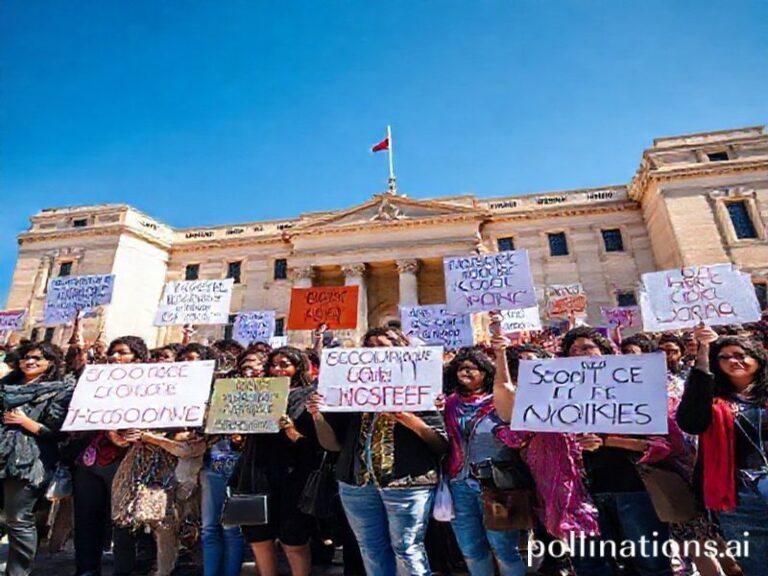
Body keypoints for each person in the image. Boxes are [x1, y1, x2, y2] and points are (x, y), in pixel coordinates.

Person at [307, 327, 449, 576]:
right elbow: (333, 445)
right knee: (370, 549)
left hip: (406, 484)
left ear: (402, 349)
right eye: (369, 347)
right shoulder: (350, 392)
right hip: (357, 486)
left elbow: (440, 445)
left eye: (382, 346)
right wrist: (318, 415)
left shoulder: (420, 388)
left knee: (407, 549)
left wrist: (410, 420)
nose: (376, 351)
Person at [560, 327, 676, 576]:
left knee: (651, 564)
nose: (580, 354)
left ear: (605, 351)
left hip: (633, 489)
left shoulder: (636, 388)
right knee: (591, 565)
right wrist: (573, 444)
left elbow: (661, 445)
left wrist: (607, 440)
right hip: (581, 495)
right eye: (573, 351)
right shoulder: (559, 396)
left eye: (587, 347)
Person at [676, 327, 768, 575]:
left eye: (740, 355)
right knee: (758, 565)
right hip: (739, 496)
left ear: (757, 359)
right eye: (724, 357)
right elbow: (691, 422)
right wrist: (705, 350)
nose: (733, 361)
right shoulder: (710, 399)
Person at [233, 346, 321, 576]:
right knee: (258, 539)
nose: (277, 369)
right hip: (252, 475)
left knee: (294, 540)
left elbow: (314, 446)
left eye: (285, 365)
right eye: (273, 365)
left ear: (298, 367)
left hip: (292, 478)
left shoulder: (309, 396)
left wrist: (291, 430)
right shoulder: (256, 392)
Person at [71, 336, 152, 576]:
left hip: (129, 459)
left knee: (123, 521)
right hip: (92, 459)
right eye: (112, 353)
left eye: (122, 353)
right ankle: (86, 570)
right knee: (86, 518)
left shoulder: (154, 384)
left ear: (138, 357)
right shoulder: (96, 381)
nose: (114, 357)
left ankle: (123, 571)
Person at [442, 348, 526, 576]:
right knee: (470, 549)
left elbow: (519, 437)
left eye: (473, 367)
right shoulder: (448, 405)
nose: (466, 371)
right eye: (461, 367)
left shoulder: (501, 402)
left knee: (504, 549)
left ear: (486, 373)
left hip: (496, 486)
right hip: (459, 486)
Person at [0, 341, 72, 576]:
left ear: (50, 363)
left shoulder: (60, 391)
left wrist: (25, 422)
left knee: (18, 519)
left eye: (37, 358)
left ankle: (17, 572)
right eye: (26, 357)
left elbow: (57, 432)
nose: (29, 362)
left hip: (27, 464)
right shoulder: (5, 386)